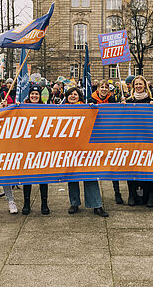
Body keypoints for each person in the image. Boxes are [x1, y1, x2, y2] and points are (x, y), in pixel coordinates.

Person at [65, 87, 109, 217]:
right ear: (67, 96)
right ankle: (74, 203)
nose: (73, 96)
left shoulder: (86, 107)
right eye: (71, 94)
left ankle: (96, 205)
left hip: (86, 146)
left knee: (90, 175)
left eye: (76, 94)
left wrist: (92, 107)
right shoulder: (61, 109)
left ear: (80, 97)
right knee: (72, 176)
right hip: (70, 147)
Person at [88, 80, 124, 205]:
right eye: (101, 87)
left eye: (106, 87)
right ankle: (95, 196)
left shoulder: (112, 100)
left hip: (110, 135)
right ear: (97, 89)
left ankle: (117, 192)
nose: (104, 89)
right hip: (95, 136)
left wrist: (124, 105)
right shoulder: (91, 100)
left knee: (114, 164)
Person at [125, 76, 153, 207]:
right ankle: (131, 194)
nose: (138, 86)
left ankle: (150, 195)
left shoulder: (151, 101)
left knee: (149, 167)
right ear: (133, 86)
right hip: (132, 139)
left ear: (145, 86)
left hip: (148, 139)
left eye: (141, 84)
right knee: (131, 167)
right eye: (136, 84)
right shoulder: (128, 100)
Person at [21, 85, 50, 215]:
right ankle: (26, 203)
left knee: (43, 177)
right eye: (32, 94)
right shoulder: (21, 107)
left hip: (42, 147)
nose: (34, 96)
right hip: (27, 147)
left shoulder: (46, 108)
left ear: (40, 96)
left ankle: (44, 203)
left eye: (36, 94)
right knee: (27, 177)